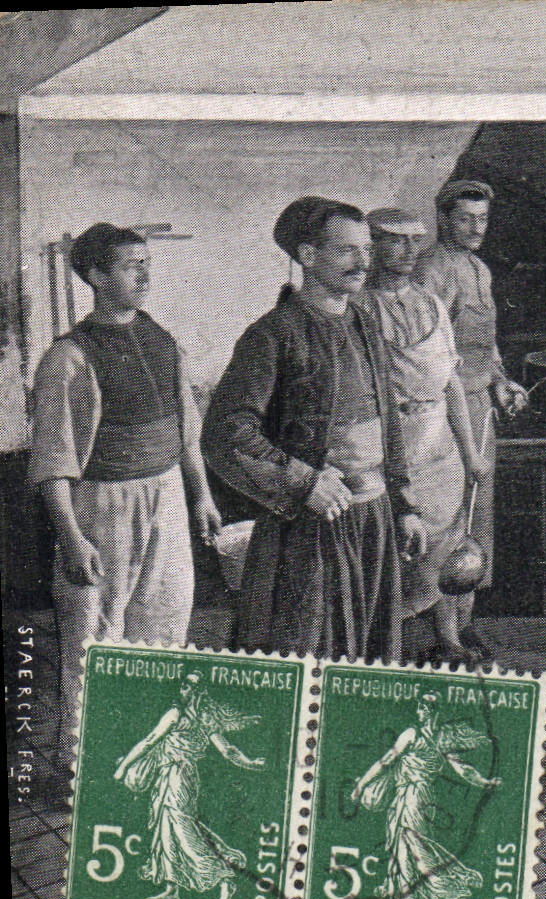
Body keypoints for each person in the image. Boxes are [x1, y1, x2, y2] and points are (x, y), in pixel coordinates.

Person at [203, 197, 426, 661]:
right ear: (307, 255)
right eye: (347, 251)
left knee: (372, 652)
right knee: (307, 655)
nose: (364, 262)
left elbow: (389, 426)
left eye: (366, 250)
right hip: (310, 525)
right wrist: (304, 482)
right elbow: (226, 432)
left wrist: (403, 504)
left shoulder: (365, 323)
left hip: (375, 518)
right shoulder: (273, 333)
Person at [27, 223, 222, 708]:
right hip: (104, 502)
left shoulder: (161, 339)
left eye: (147, 264)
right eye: (131, 266)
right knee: (96, 626)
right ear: (95, 275)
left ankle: (147, 724)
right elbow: (53, 460)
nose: (144, 275)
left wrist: (201, 496)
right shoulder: (68, 357)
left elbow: (187, 431)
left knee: (167, 615)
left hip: (169, 493)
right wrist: (72, 537)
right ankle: (82, 752)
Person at [363, 208, 491, 667]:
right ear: (371, 245)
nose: (408, 251)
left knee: (445, 544)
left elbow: (450, 383)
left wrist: (471, 452)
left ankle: (448, 638)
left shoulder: (431, 305)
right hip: (390, 445)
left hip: (440, 446)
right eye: (395, 241)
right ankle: (386, 644)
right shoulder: (359, 309)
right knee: (394, 550)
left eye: (414, 241)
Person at [414, 180, 528, 653]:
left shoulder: (479, 269)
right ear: (444, 219)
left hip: (480, 406)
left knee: (477, 519)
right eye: (465, 218)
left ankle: (464, 623)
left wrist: (502, 380)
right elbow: (429, 354)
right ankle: (443, 636)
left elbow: (486, 340)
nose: (477, 228)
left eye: (482, 218)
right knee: (447, 520)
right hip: (445, 411)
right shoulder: (432, 270)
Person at [112, 674, 264, 899]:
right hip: (176, 777)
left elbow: (148, 741)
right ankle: (172, 888)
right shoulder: (203, 719)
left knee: (183, 831)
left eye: (185, 687)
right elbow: (229, 751)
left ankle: (224, 877)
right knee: (166, 832)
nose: (180, 690)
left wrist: (122, 767)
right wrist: (249, 762)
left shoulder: (177, 716)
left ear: (197, 691)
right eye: (181, 686)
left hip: (177, 778)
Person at [350, 692, 498, 899]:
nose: (418, 712)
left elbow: (386, 761)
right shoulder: (440, 739)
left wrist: (361, 784)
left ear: (431, 712)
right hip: (408, 796)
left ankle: (460, 896)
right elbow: (464, 771)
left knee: (418, 848)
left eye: (421, 708)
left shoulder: (415, 734)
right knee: (403, 850)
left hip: (415, 797)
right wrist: (484, 782)